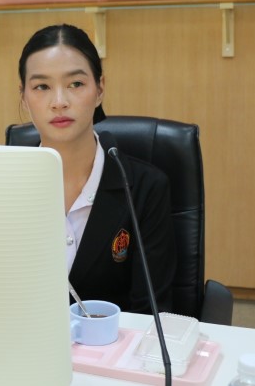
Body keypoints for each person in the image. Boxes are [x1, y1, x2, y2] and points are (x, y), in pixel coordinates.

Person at [17, 24, 176, 313]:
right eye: (42, 87)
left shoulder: (145, 188)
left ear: (100, 89)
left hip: (112, 341)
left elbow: (150, 313)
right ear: (24, 96)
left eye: (76, 84)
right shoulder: (3, 186)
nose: (59, 102)